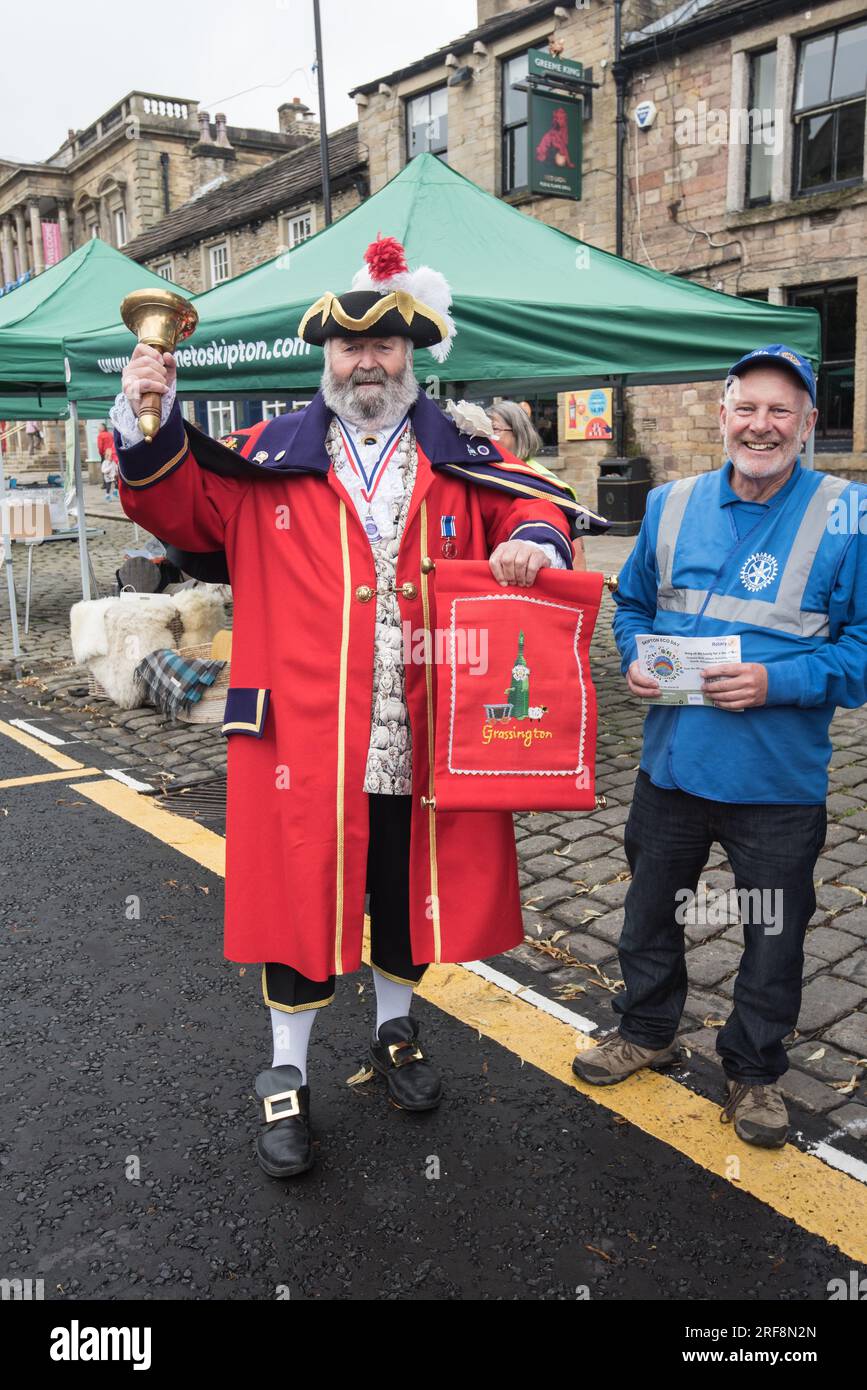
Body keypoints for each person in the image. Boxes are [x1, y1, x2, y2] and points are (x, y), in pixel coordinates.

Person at [112, 235, 607, 1179]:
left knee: (404, 896)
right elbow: (174, 510)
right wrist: (150, 419)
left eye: (384, 346)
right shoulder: (265, 455)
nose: (366, 361)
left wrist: (537, 544)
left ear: (409, 356)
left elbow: (535, 506)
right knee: (297, 909)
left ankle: (394, 1035)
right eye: (349, 348)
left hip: (421, 735)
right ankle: (286, 1075)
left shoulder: (462, 451)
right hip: (302, 738)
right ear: (326, 359)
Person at [572, 344, 867, 1149]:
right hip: (670, 767)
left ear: (808, 423)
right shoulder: (668, 504)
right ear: (723, 415)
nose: (761, 425)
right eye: (747, 408)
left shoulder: (849, 515)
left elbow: (862, 650)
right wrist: (633, 652)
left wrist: (780, 683)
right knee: (649, 913)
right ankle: (645, 1028)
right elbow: (630, 603)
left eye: (781, 411)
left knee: (771, 932)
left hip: (776, 781)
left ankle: (754, 1070)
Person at [488, 399, 586, 569]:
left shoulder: (547, 483)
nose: (488, 437)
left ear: (518, 433)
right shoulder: (484, 476)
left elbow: (576, 554)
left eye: (494, 429)